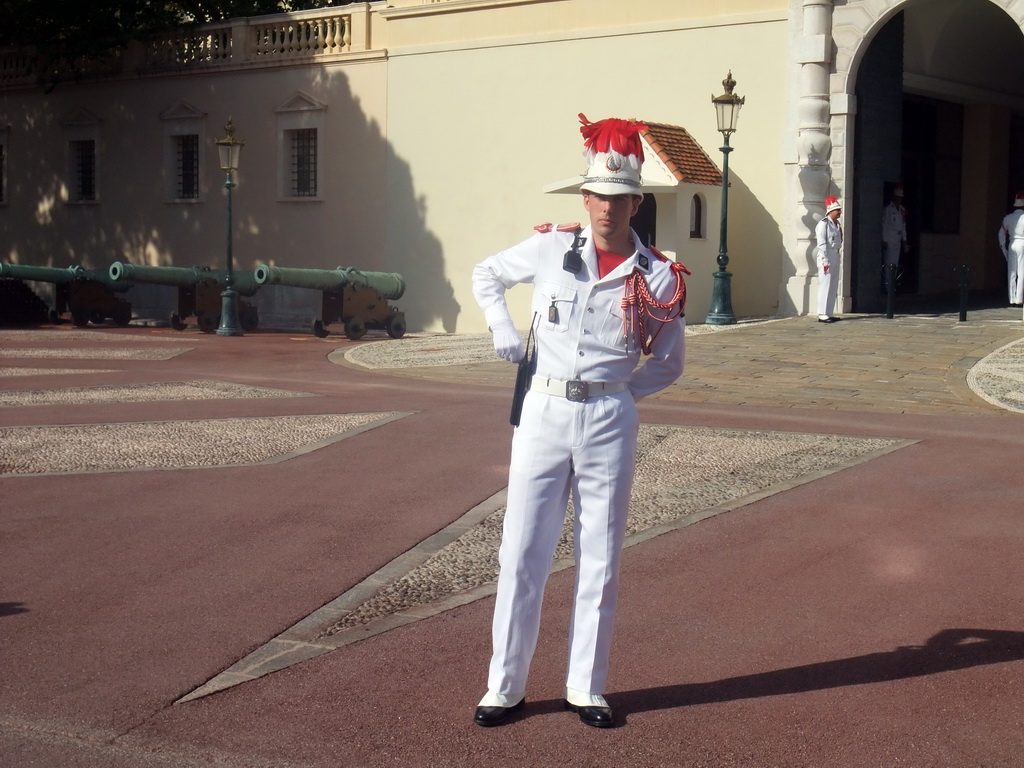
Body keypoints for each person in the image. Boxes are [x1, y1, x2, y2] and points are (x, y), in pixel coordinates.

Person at [470, 115, 687, 729]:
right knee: (522, 550)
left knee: (601, 553)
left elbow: (669, 361)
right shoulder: (549, 248)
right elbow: (486, 274)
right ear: (584, 197)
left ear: (636, 203)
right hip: (543, 409)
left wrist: (617, 392)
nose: (607, 209)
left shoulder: (657, 274)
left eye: (621, 199)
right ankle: (503, 687)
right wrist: (502, 327)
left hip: (609, 415)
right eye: (598, 196)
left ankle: (584, 687)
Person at [815, 196, 843, 322]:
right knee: (825, 284)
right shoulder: (823, 224)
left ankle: (829, 312)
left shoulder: (837, 224)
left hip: (835, 254)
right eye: (837, 210)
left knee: (833, 285)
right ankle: (822, 313)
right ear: (830, 211)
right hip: (826, 256)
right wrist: (825, 260)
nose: (839, 212)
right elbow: (821, 243)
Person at [997, 192, 1024, 307]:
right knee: (1022, 272)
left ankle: (1012, 299)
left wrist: (1004, 248)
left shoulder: (1008, 218)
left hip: (1012, 243)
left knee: (1012, 272)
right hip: (1023, 243)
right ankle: (1019, 298)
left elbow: (1001, 234)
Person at [881, 184, 908, 292]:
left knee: (895, 263)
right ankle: (888, 286)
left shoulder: (902, 209)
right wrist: (884, 239)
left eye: (900, 198)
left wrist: (904, 240)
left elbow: (903, 226)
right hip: (889, 238)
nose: (899, 199)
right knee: (889, 262)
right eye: (897, 197)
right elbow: (884, 224)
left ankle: (893, 285)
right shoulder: (888, 209)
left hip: (897, 238)